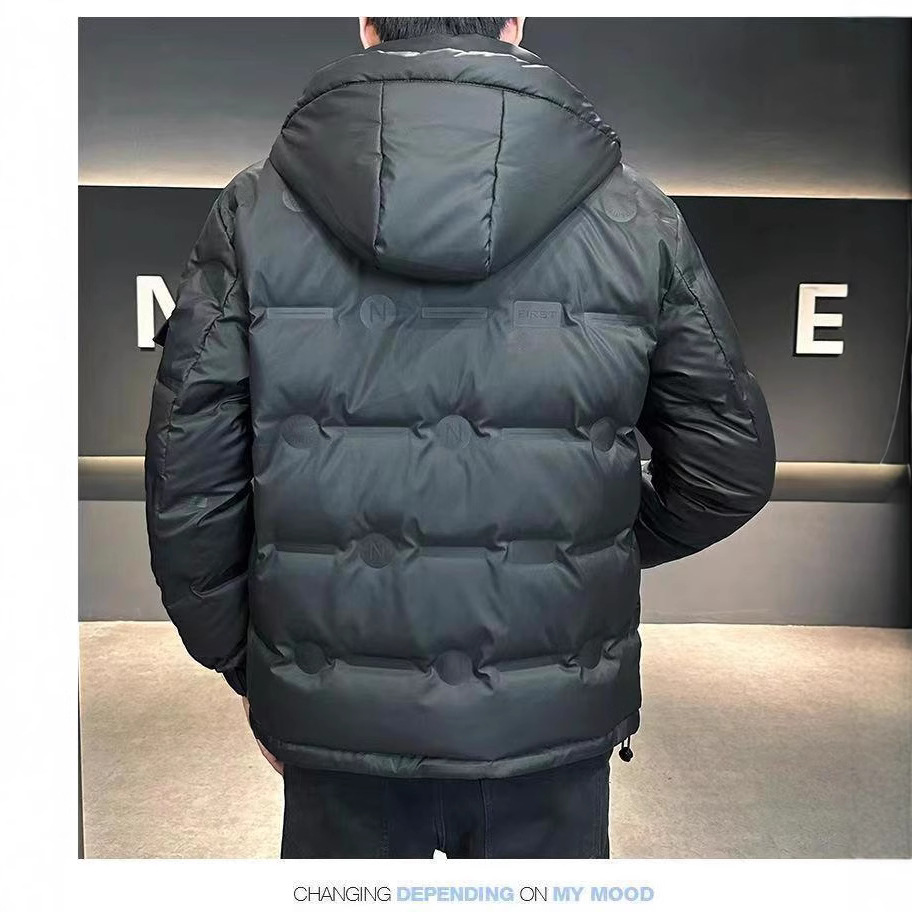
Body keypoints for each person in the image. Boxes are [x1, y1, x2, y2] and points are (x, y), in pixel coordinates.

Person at [144, 16, 776, 859]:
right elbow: (728, 470)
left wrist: (262, 673)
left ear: (367, 22)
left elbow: (188, 486)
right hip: (550, 724)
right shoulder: (637, 216)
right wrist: (576, 552)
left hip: (338, 723)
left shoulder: (254, 212)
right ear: (516, 21)